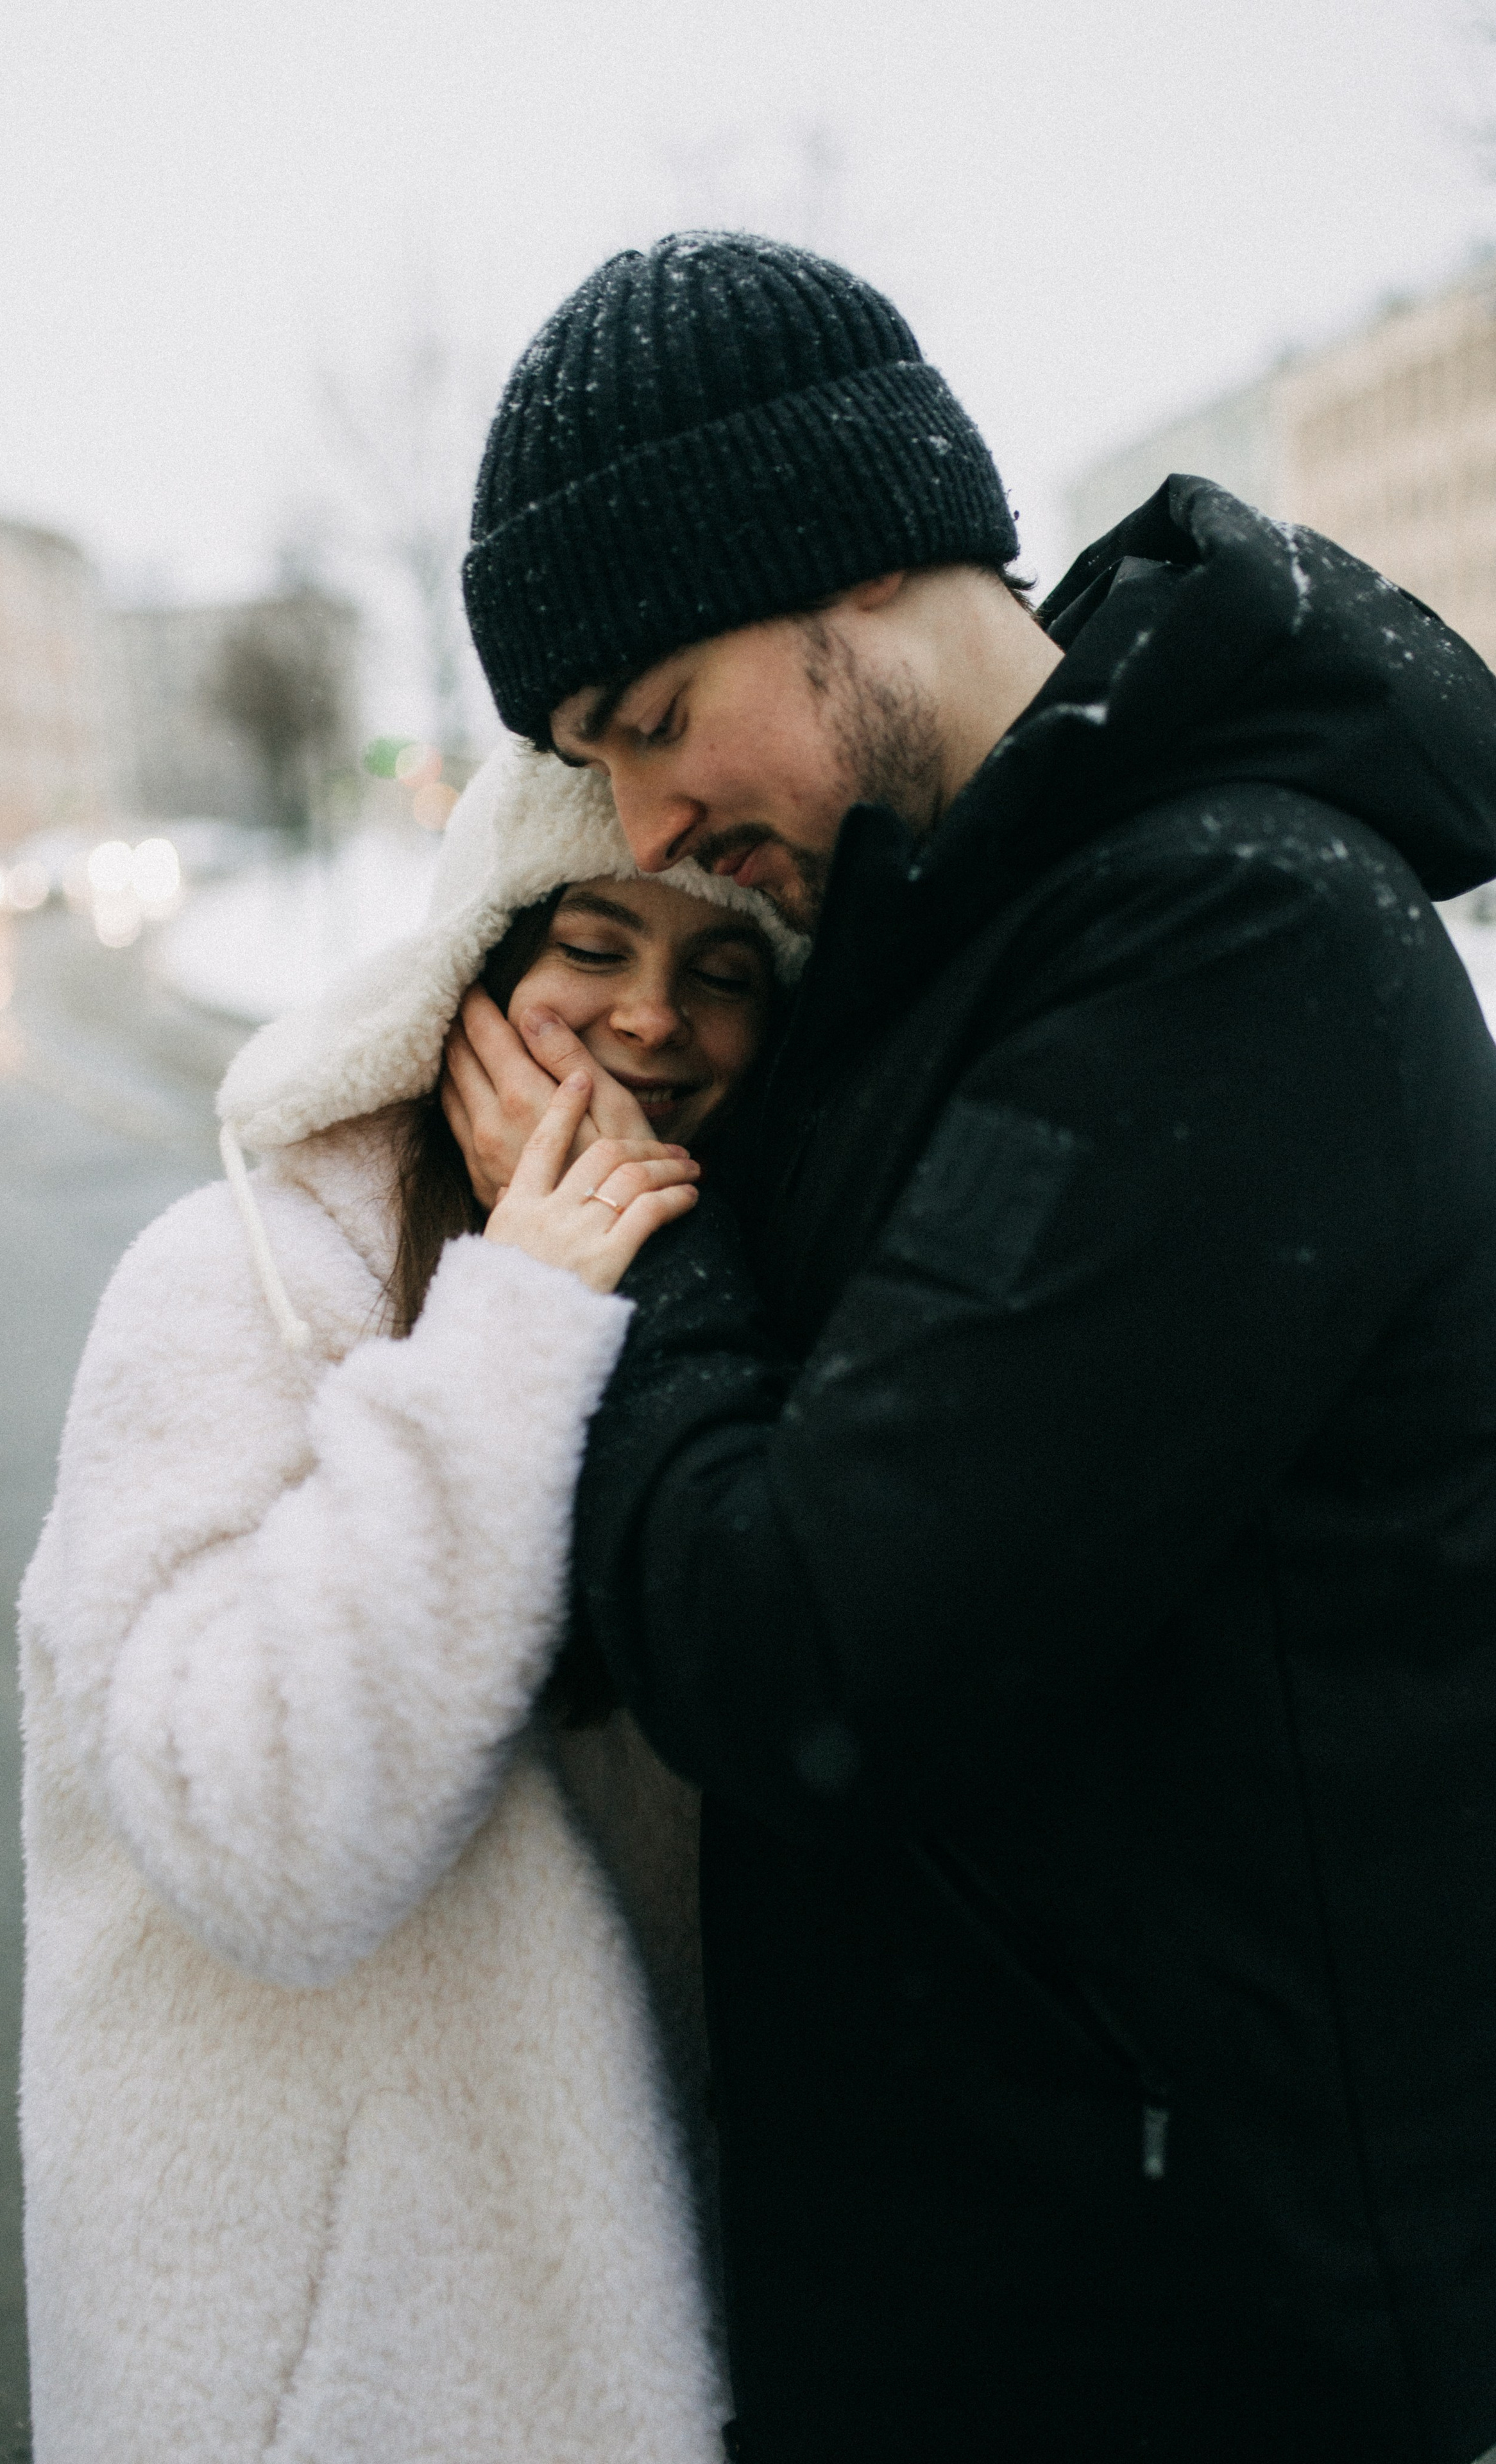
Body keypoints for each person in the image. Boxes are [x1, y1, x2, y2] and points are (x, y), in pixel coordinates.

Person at [446, 232, 1496, 2463]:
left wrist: (620, 1244)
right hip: (984, 2276)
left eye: (649, 721)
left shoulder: (1230, 942)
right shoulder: (936, 940)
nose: (644, 821)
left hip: (1182, 2339)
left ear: (845, 568)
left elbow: (803, 1641)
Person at [17, 739, 805, 2464]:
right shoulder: (242, 1279)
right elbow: (263, 1837)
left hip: (647, 2339)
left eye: (723, 969)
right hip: (317, 2377)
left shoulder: (734, 1305)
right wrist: (510, 1328)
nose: (652, 1021)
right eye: (592, 945)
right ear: (474, 970)